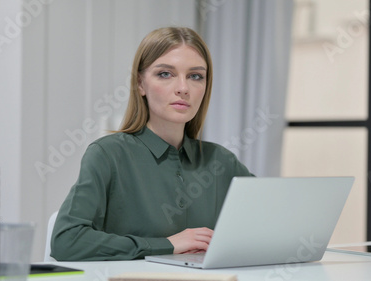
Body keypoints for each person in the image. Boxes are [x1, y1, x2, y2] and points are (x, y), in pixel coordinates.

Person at [50, 27, 253, 261]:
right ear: (140, 84)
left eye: (195, 76)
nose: (183, 88)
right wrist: (165, 245)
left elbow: (274, 226)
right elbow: (67, 241)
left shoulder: (221, 161)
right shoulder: (108, 155)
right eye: (165, 74)